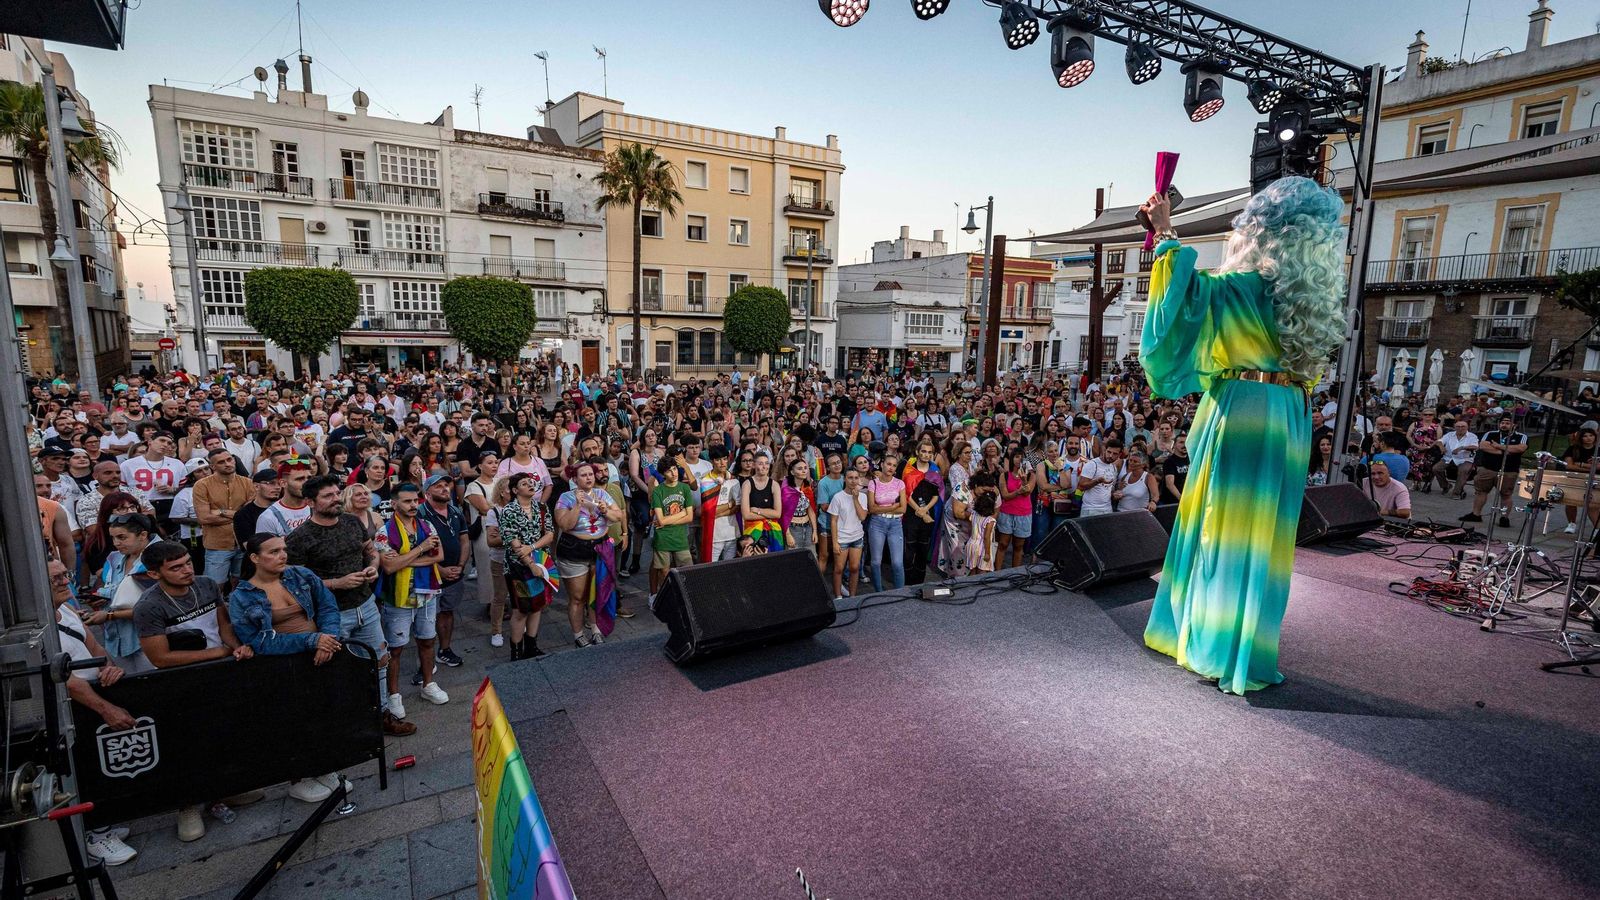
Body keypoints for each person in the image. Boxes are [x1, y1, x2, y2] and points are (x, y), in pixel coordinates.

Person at [1138, 177, 1347, 694]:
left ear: (1259, 232)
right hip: (1290, 416)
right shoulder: (1310, 305)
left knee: (1222, 528)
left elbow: (1183, 302)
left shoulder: (1243, 289)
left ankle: (1212, 643)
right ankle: (1247, 646)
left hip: (1246, 409)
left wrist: (1166, 233)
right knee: (1266, 536)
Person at [132, 540, 256, 841]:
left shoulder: (206, 585)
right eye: (176, 567)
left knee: (225, 732)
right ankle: (187, 805)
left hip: (219, 671)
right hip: (181, 681)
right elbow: (159, 658)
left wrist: (235, 646)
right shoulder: (149, 606)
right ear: (154, 574)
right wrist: (217, 654)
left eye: (188, 562)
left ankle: (223, 791)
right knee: (186, 743)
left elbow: (223, 623)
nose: (187, 570)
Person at [284, 475, 412, 736]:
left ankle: (382, 714)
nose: (335, 499)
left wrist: (372, 568)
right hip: (333, 615)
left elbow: (371, 550)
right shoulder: (299, 538)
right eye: (327, 496)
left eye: (336, 493)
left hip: (365, 605)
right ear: (310, 502)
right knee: (336, 669)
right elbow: (293, 584)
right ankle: (344, 724)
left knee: (379, 660)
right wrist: (336, 583)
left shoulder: (352, 522)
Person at [227, 534, 346, 803]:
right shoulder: (242, 597)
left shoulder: (300, 575)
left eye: (283, 549)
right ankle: (298, 778)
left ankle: (323, 767)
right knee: (293, 719)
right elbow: (258, 640)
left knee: (322, 713)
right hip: (281, 665)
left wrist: (327, 640)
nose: (283, 555)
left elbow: (328, 606)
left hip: (319, 656)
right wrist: (312, 640)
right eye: (273, 552)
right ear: (255, 558)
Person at [51, 558, 140, 867]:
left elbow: (93, 645)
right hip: (74, 704)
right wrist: (106, 708)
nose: (65, 581)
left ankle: (101, 823)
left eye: (65, 574)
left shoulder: (67, 609)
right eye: (57, 578)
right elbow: (65, 679)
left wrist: (109, 667)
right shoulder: (43, 624)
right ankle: (93, 834)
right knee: (81, 768)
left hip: (93, 694)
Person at [376, 483, 450, 719]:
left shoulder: (426, 525)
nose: (413, 505)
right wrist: (421, 549)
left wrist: (405, 560)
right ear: (394, 503)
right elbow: (388, 566)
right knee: (395, 649)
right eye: (407, 501)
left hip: (426, 593)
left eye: (415, 500)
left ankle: (428, 684)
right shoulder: (384, 532)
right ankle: (393, 695)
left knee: (428, 641)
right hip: (398, 598)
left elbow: (439, 555)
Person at [553, 461, 623, 647]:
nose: (589, 478)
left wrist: (605, 510)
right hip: (574, 550)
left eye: (591, 474)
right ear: (575, 479)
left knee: (597, 592)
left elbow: (618, 517)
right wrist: (577, 504)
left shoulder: (602, 494)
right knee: (578, 597)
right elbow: (565, 525)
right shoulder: (565, 498)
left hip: (600, 549)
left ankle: (596, 629)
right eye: (584, 475)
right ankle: (578, 635)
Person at [492, 472, 558, 659]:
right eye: (524, 483)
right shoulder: (509, 511)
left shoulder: (541, 507)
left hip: (541, 562)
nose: (530, 485)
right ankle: (516, 651)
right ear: (515, 490)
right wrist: (530, 563)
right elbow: (513, 542)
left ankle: (531, 647)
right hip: (518, 568)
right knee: (521, 609)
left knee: (537, 605)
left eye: (531, 482)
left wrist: (532, 547)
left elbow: (550, 534)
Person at [417, 473, 470, 673]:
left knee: (447, 612)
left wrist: (461, 565)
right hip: (429, 575)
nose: (444, 488)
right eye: (438, 486)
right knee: (426, 617)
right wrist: (439, 569)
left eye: (446, 485)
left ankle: (445, 649)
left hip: (454, 573)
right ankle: (424, 661)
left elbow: (464, 540)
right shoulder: (420, 514)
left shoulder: (455, 511)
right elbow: (416, 548)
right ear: (427, 491)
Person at [192, 445, 251, 588]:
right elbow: (204, 518)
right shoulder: (201, 485)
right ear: (212, 466)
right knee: (214, 586)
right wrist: (239, 515)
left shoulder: (247, 482)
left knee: (241, 583)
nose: (227, 464)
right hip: (217, 544)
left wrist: (220, 511)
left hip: (243, 543)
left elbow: (249, 515)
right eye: (221, 462)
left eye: (229, 459)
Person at [1462, 416, 1527, 529]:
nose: (1504, 425)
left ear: (1514, 425)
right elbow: (1483, 446)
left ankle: (1504, 517)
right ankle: (1475, 514)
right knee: (1481, 491)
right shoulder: (1491, 434)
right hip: (1488, 469)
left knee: (1506, 494)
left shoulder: (1521, 436)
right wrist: (1504, 451)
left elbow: (1520, 448)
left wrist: (1498, 446)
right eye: (1502, 422)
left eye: (1507, 422)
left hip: (1509, 471)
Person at [649, 452, 695, 595]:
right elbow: (660, 520)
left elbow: (690, 518)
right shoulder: (658, 491)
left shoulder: (685, 488)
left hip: (680, 537)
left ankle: (684, 597)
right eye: (669, 471)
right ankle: (666, 598)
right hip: (663, 538)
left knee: (686, 569)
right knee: (664, 572)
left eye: (675, 469)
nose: (673, 473)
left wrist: (670, 519)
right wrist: (682, 513)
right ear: (663, 474)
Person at [865, 450, 907, 591]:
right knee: (876, 562)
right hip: (877, 523)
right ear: (882, 464)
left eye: (894, 466)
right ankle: (878, 592)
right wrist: (893, 506)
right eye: (888, 464)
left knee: (897, 563)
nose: (891, 468)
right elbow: (871, 509)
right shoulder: (873, 484)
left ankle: (900, 593)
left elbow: (903, 509)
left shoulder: (899, 483)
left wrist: (883, 508)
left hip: (895, 524)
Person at [827, 468, 868, 599]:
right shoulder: (838, 497)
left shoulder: (862, 496)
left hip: (857, 537)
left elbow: (862, 517)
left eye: (856, 478)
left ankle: (852, 596)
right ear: (845, 479)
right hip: (842, 538)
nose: (853, 481)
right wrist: (835, 542)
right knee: (839, 569)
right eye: (850, 477)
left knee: (855, 568)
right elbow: (833, 521)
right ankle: (838, 596)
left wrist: (855, 499)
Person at [740, 453, 786, 552]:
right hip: (752, 532)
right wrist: (770, 514)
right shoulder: (747, 484)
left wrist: (758, 511)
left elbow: (778, 514)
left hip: (773, 532)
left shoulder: (774, 485)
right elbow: (746, 515)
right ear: (753, 465)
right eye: (760, 463)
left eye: (767, 463)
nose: (764, 466)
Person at [1433, 418, 1477, 498]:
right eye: (1458, 426)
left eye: (1463, 426)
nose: (1460, 428)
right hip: (1448, 457)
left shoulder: (1472, 436)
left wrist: (1461, 448)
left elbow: (1475, 446)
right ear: (1454, 427)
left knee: (1463, 470)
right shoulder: (1450, 434)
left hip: (1464, 459)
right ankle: (1445, 485)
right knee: (1436, 469)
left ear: (1467, 427)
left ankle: (1457, 493)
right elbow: (1439, 441)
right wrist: (1441, 446)